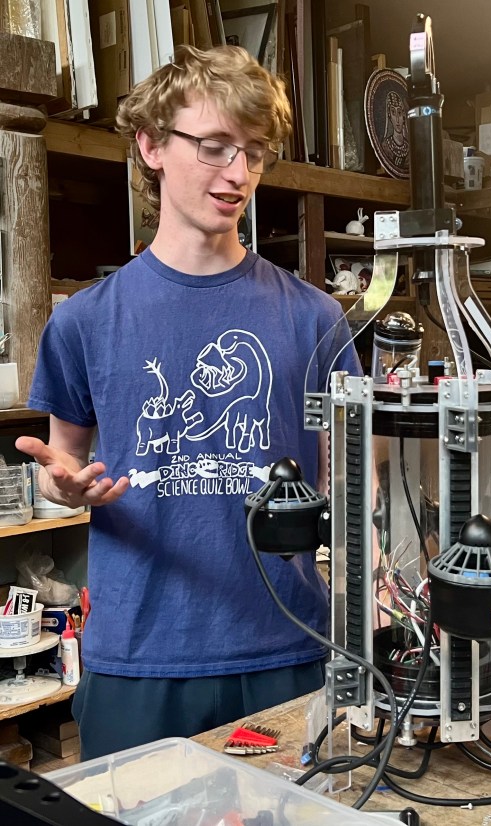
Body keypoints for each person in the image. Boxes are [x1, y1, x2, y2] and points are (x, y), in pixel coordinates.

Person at [15, 45, 360, 761]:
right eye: (214, 147)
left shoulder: (314, 319)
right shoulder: (85, 321)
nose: (238, 175)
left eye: (255, 154)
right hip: (142, 657)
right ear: (151, 146)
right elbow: (62, 467)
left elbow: (355, 487)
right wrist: (63, 485)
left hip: (289, 648)